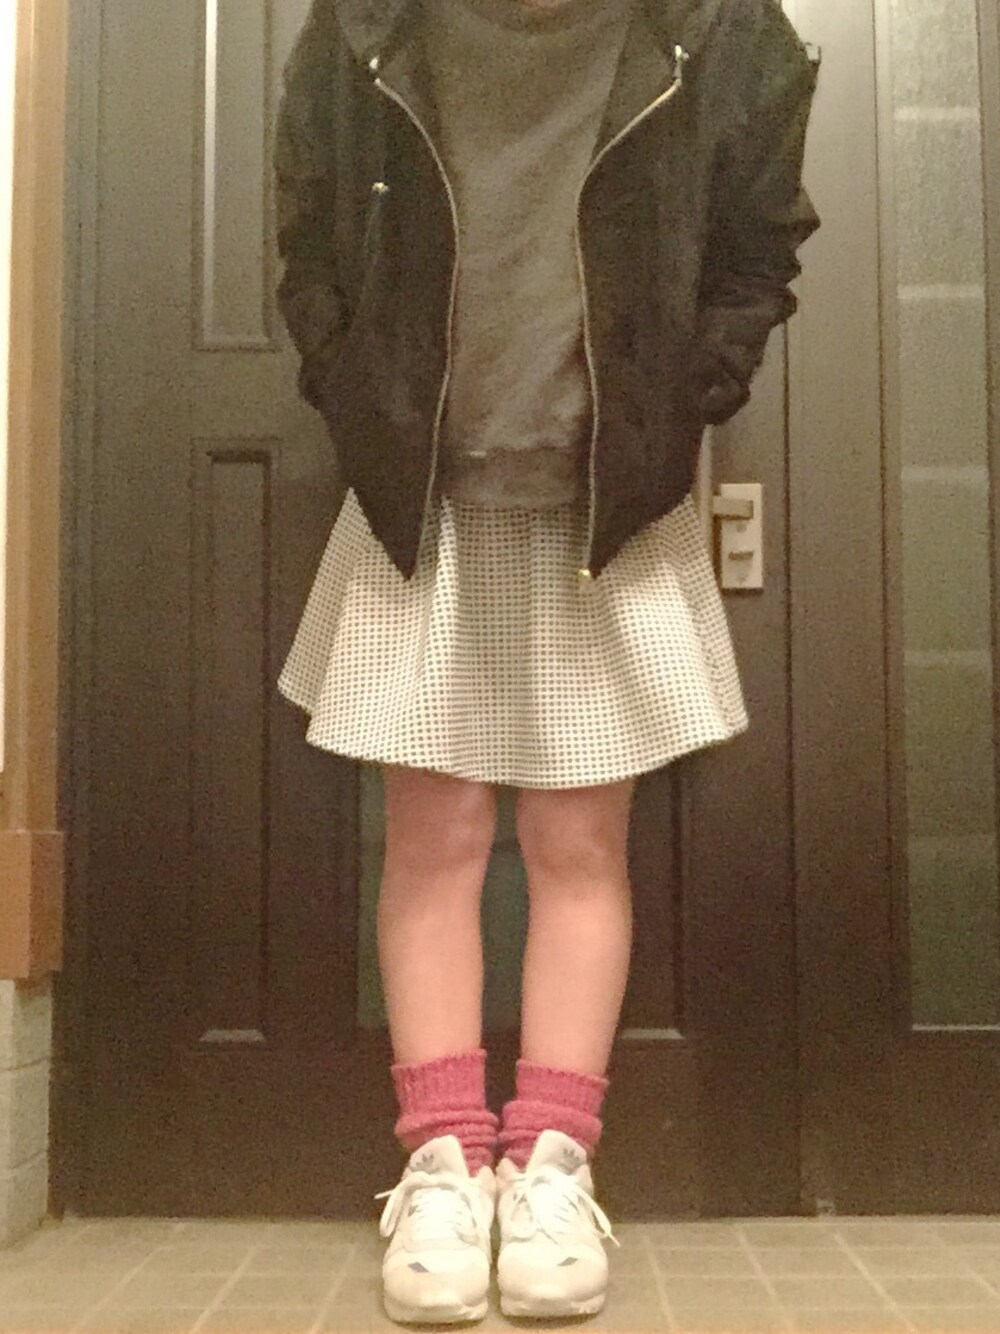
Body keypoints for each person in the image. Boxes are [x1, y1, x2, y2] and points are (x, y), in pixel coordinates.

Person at [273, 0, 819, 1321]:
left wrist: (690, 391)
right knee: (433, 838)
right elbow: (309, 235)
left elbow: (760, 247)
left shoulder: (720, 25)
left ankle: (556, 1165)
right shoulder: (363, 20)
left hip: (607, 498)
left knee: (580, 843)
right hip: (422, 495)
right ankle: (445, 1167)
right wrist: (348, 378)